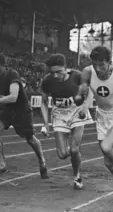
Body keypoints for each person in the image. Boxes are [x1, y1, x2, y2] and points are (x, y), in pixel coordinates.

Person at [74, 46, 113, 197]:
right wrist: (80, 100)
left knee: (107, 146)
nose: (98, 68)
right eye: (95, 64)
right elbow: (83, 90)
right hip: (102, 116)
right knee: (108, 163)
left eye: (101, 64)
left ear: (109, 62)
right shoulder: (88, 72)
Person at [0, 52, 49, 179]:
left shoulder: (12, 75)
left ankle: (42, 161)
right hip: (6, 109)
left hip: (21, 110)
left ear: (4, 66)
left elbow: (13, 97)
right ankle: (1, 164)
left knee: (30, 139)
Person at [40, 53, 94, 189]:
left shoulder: (77, 76)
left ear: (66, 68)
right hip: (59, 114)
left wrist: (84, 106)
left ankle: (77, 176)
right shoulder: (47, 81)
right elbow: (44, 102)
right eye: (52, 73)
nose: (55, 76)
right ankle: (74, 151)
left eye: (58, 72)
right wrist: (45, 124)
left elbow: (89, 93)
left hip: (77, 111)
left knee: (74, 149)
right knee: (62, 154)